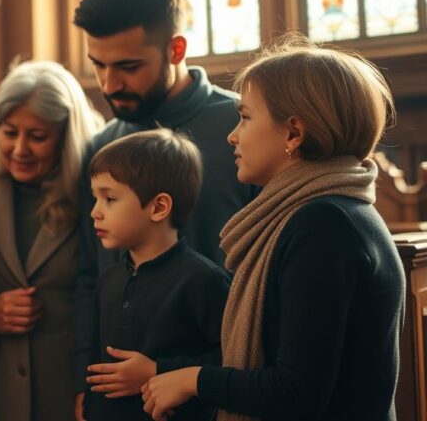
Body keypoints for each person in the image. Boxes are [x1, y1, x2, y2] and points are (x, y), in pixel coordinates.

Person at [141, 36, 405, 421]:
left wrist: (194, 380)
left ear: (293, 133)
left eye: (245, 117)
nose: (233, 135)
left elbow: (297, 392)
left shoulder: (324, 225)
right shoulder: (334, 210)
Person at [71, 0, 255, 416]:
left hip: (223, 388)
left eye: (128, 67)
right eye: (99, 66)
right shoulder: (102, 146)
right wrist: (85, 379)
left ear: (176, 49)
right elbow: (89, 275)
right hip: (119, 398)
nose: (110, 85)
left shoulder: (245, 129)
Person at [0, 60, 103, 420]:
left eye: (37, 136)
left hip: (74, 394)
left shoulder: (96, 200)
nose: (19, 149)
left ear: (66, 137)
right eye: (9, 132)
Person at [84, 129, 229, 421]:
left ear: (159, 207)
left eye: (109, 199)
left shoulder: (204, 280)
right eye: (95, 198)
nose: (94, 213)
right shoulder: (109, 279)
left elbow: (232, 360)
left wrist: (157, 371)